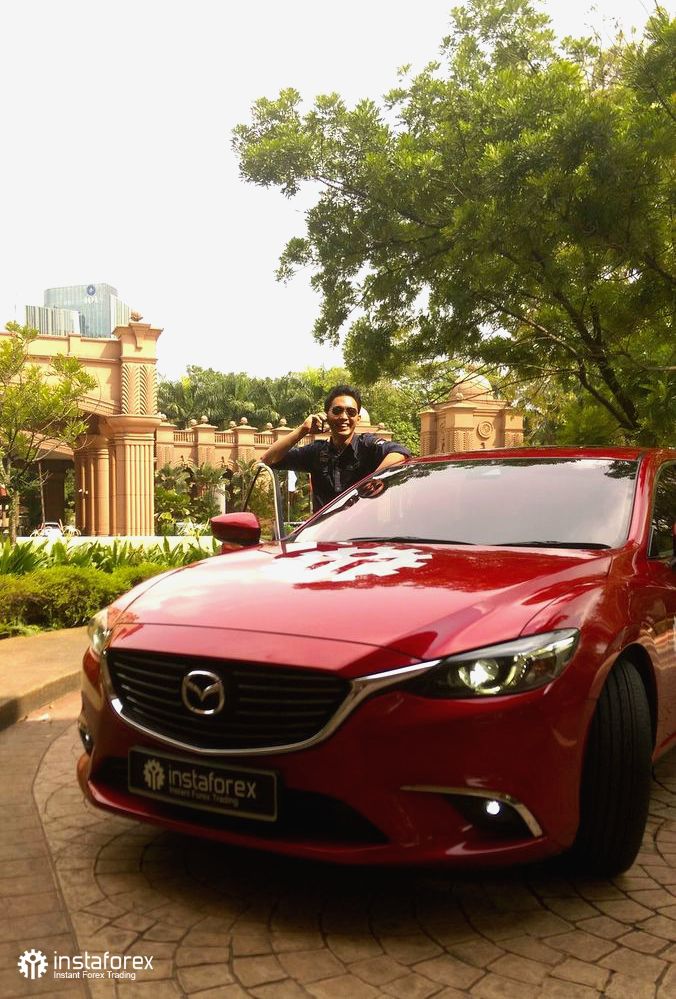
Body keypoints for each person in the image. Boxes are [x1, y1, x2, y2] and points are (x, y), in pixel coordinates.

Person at [261, 384, 411, 512]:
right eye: (337, 411)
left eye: (351, 412)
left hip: (362, 533)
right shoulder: (315, 452)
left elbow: (400, 452)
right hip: (323, 533)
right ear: (327, 415)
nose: (344, 417)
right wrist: (303, 430)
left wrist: (375, 478)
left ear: (358, 419)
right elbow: (268, 459)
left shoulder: (366, 446)